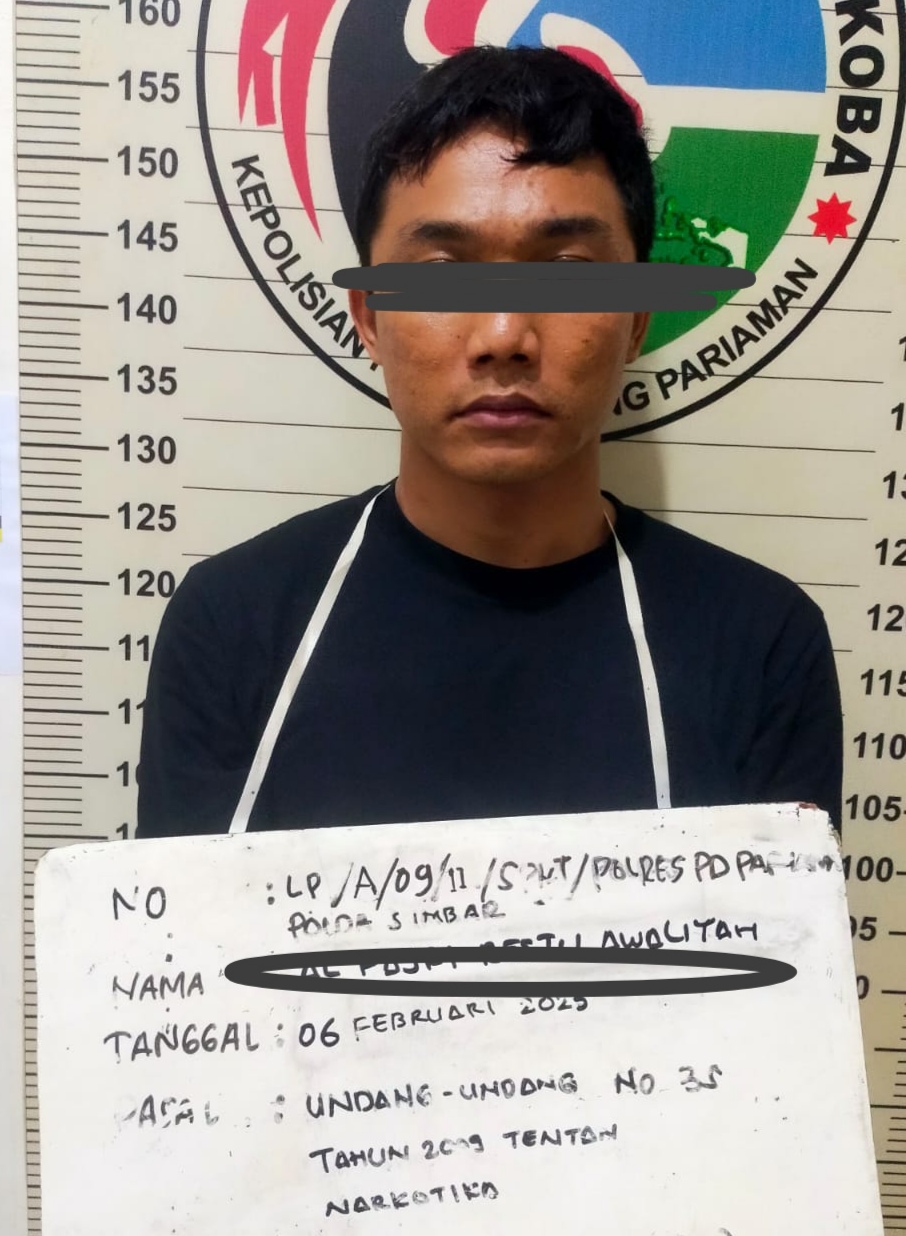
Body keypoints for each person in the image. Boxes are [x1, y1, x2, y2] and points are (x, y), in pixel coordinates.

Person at [136, 45, 842, 841]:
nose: (504, 335)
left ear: (638, 317)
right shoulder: (233, 627)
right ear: (369, 316)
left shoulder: (759, 644)